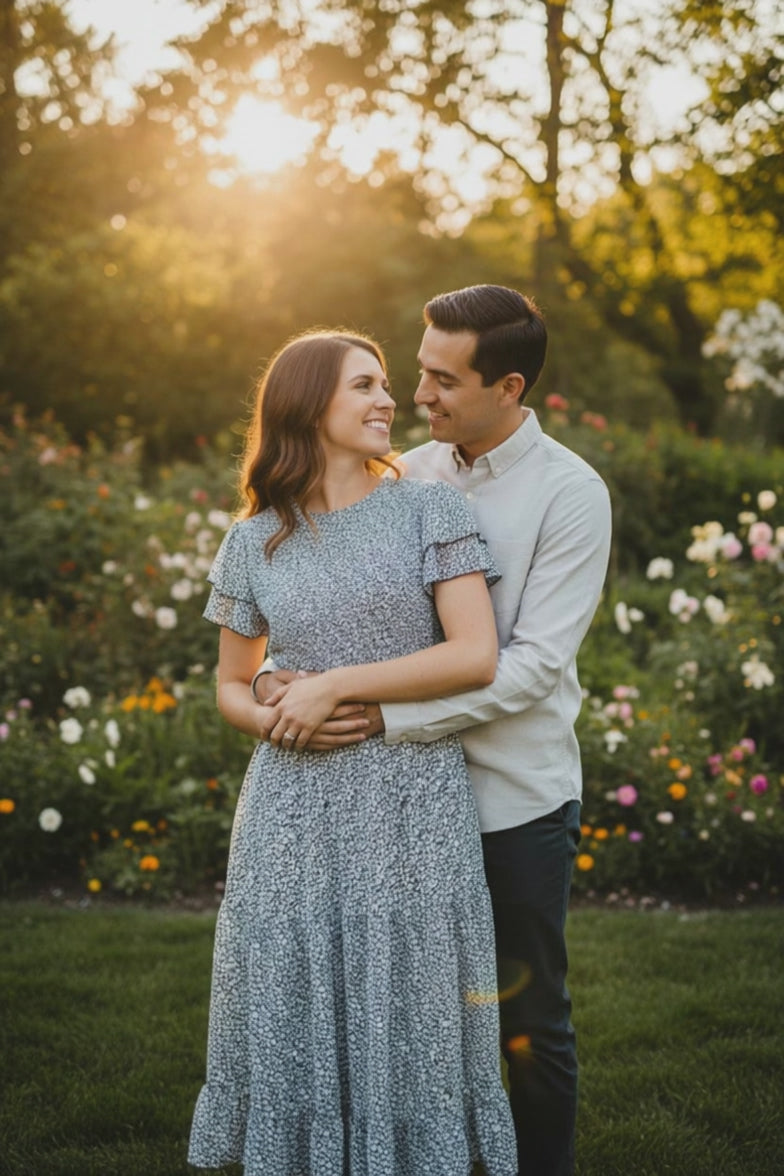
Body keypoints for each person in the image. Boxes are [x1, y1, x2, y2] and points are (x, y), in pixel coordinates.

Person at [255, 287, 612, 1176]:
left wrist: (385, 716)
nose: (419, 396)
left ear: (511, 386)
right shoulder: (403, 474)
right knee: (410, 1018)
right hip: (403, 805)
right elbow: (325, 595)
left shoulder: (571, 495)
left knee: (529, 1023)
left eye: (444, 380)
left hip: (510, 798)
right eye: (419, 372)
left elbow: (528, 665)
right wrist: (271, 675)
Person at [188, 328, 518, 1176]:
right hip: (290, 807)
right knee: (299, 993)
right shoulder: (254, 537)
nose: (389, 402)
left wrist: (333, 685)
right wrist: (272, 712)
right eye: (364, 387)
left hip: (409, 796)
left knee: (410, 998)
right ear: (308, 408)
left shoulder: (429, 508)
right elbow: (232, 683)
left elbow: (471, 654)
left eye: (384, 385)